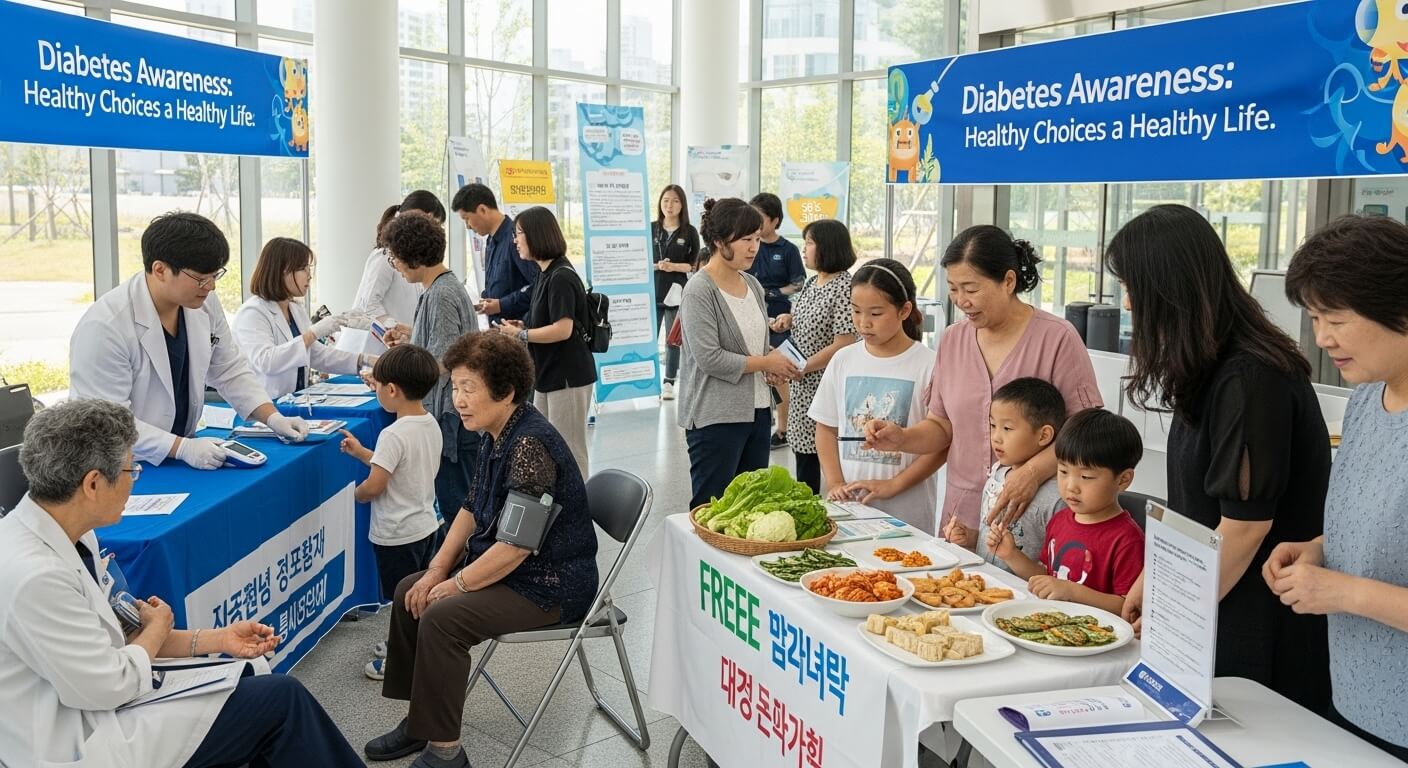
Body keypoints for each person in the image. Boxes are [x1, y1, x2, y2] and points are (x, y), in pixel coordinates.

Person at [0, 399, 362, 767]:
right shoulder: (35, 576)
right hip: (75, 741)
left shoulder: (70, 535)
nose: (133, 482)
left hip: (98, 703)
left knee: (256, 684)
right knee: (280, 702)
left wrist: (218, 640)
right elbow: (108, 684)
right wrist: (156, 629)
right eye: (131, 470)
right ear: (93, 483)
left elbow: (122, 633)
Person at [1111, 204, 1330, 713]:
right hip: (1219, 600)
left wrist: (1177, 611)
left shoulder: (1250, 377)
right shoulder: (1209, 366)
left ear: (1168, 288)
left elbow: (1246, 525)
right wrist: (1155, 578)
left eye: (1132, 288)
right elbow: (1196, 509)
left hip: (1260, 620)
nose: (1126, 304)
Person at [366, 333, 599, 768]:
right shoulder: (497, 431)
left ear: (506, 391)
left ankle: (445, 752)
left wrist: (455, 584)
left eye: (468, 388)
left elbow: (515, 547)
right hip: (514, 570)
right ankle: (422, 721)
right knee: (409, 591)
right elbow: (472, 507)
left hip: (550, 585)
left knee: (442, 617)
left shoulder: (530, 443)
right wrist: (437, 569)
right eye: (454, 387)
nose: (458, 400)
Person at [1262, 214, 1408, 760]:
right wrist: (1322, 550)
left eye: (1336, 319)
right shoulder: (1369, 397)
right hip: (1352, 697)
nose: (1322, 339)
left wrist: (1343, 592)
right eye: (1315, 318)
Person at [864, 225, 1101, 537]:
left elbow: (1085, 431)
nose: (962, 301)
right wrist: (903, 438)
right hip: (961, 515)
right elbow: (943, 426)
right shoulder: (953, 339)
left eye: (971, 289)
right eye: (953, 289)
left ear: (1008, 281)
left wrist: (1031, 472)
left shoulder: (1057, 339)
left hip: (1032, 511)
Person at [69, 211, 310, 470]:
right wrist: (181, 448)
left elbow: (229, 369)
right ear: (160, 270)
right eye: (201, 278)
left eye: (215, 276)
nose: (211, 287)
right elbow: (106, 424)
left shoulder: (202, 303)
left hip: (179, 455)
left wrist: (272, 417)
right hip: (122, 466)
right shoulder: (105, 327)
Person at [679, 198, 802, 509]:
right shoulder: (699, 290)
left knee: (750, 509)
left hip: (759, 410)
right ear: (720, 241)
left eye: (757, 238)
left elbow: (756, 347)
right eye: (746, 239)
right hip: (715, 416)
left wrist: (771, 363)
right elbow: (710, 358)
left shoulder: (751, 283)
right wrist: (764, 361)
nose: (754, 247)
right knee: (713, 510)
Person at [809, 259, 941, 532]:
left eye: (876, 314)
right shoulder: (843, 359)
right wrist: (835, 483)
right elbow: (825, 427)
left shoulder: (930, 364)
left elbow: (940, 445)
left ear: (904, 310)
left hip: (907, 516)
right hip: (848, 512)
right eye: (856, 311)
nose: (863, 323)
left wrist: (893, 486)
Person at [337, 344, 444, 679]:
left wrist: (357, 494)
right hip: (425, 526)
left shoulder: (393, 434)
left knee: (403, 601)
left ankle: (403, 659)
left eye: (377, 385)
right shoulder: (429, 424)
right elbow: (398, 466)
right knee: (418, 594)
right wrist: (361, 453)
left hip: (395, 535)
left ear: (392, 390)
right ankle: (415, 644)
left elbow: (377, 484)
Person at [986, 408, 1145, 615]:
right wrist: (1011, 555)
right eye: (1063, 472)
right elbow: (1047, 577)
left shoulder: (1127, 539)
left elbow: (1128, 608)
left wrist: (1072, 591)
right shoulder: (1060, 520)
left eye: (1086, 477)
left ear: (1123, 479)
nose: (1071, 486)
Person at [380, 212, 480, 531]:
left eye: (395, 257)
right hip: (457, 416)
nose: (394, 264)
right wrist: (412, 337)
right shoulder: (440, 288)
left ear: (414, 257)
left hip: (453, 418)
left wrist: (397, 365)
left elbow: (440, 363)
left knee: (458, 511)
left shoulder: (440, 294)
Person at [493, 206, 596, 476]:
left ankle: (579, 511)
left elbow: (563, 329)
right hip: (548, 373)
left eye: (518, 234)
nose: (515, 241)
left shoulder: (561, 276)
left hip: (568, 377)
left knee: (570, 449)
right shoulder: (544, 272)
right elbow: (547, 320)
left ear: (536, 235)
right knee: (546, 445)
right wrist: (524, 325)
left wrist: (522, 335)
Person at [773, 220, 858, 493]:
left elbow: (844, 342)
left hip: (825, 382)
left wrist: (805, 366)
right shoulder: (812, 282)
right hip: (802, 382)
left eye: (809, 243)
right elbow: (803, 317)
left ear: (828, 246)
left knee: (824, 454)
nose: (804, 249)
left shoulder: (845, 286)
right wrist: (789, 318)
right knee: (803, 458)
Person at [234, 237, 371, 400]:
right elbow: (266, 361)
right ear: (283, 270)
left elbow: (317, 355)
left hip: (293, 401)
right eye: (303, 269)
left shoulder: (295, 309)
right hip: (263, 405)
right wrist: (313, 333)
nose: (309, 276)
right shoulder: (252, 312)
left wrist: (366, 360)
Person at [964, 377, 1068, 570]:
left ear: (1044, 436)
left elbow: (1056, 571)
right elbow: (990, 539)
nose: (996, 437)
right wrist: (970, 537)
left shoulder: (1058, 497)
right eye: (993, 425)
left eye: (1007, 428)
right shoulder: (996, 475)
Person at [748, 192, 806, 450]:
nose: (755, 223)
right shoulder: (750, 244)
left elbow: (798, 283)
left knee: (780, 373)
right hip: (751, 313)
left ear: (775, 220)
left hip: (779, 317)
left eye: (760, 218)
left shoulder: (788, 250)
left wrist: (773, 293)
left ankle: (782, 429)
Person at [352, 189, 446, 327]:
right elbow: (368, 304)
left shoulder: (416, 258)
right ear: (424, 218)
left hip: (401, 340)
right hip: (380, 341)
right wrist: (394, 326)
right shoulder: (385, 256)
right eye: (434, 225)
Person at [452, 183, 540, 325]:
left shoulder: (515, 240)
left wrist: (501, 304)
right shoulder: (490, 241)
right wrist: (486, 302)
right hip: (498, 331)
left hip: (518, 332)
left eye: (467, 218)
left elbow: (539, 286)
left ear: (482, 210)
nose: (467, 226)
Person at [652, 184, 700, 400]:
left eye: (675, 201)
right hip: (651, 290)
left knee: (672, 339)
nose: (669, 205)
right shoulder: (651, 228)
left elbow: (695, 264)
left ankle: (669, 381)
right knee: (649, 337)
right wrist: (657, 265)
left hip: (676, 291)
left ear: (682, 205)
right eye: (665, 200)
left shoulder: (689, 232)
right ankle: (646, 381)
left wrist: (673, 267)